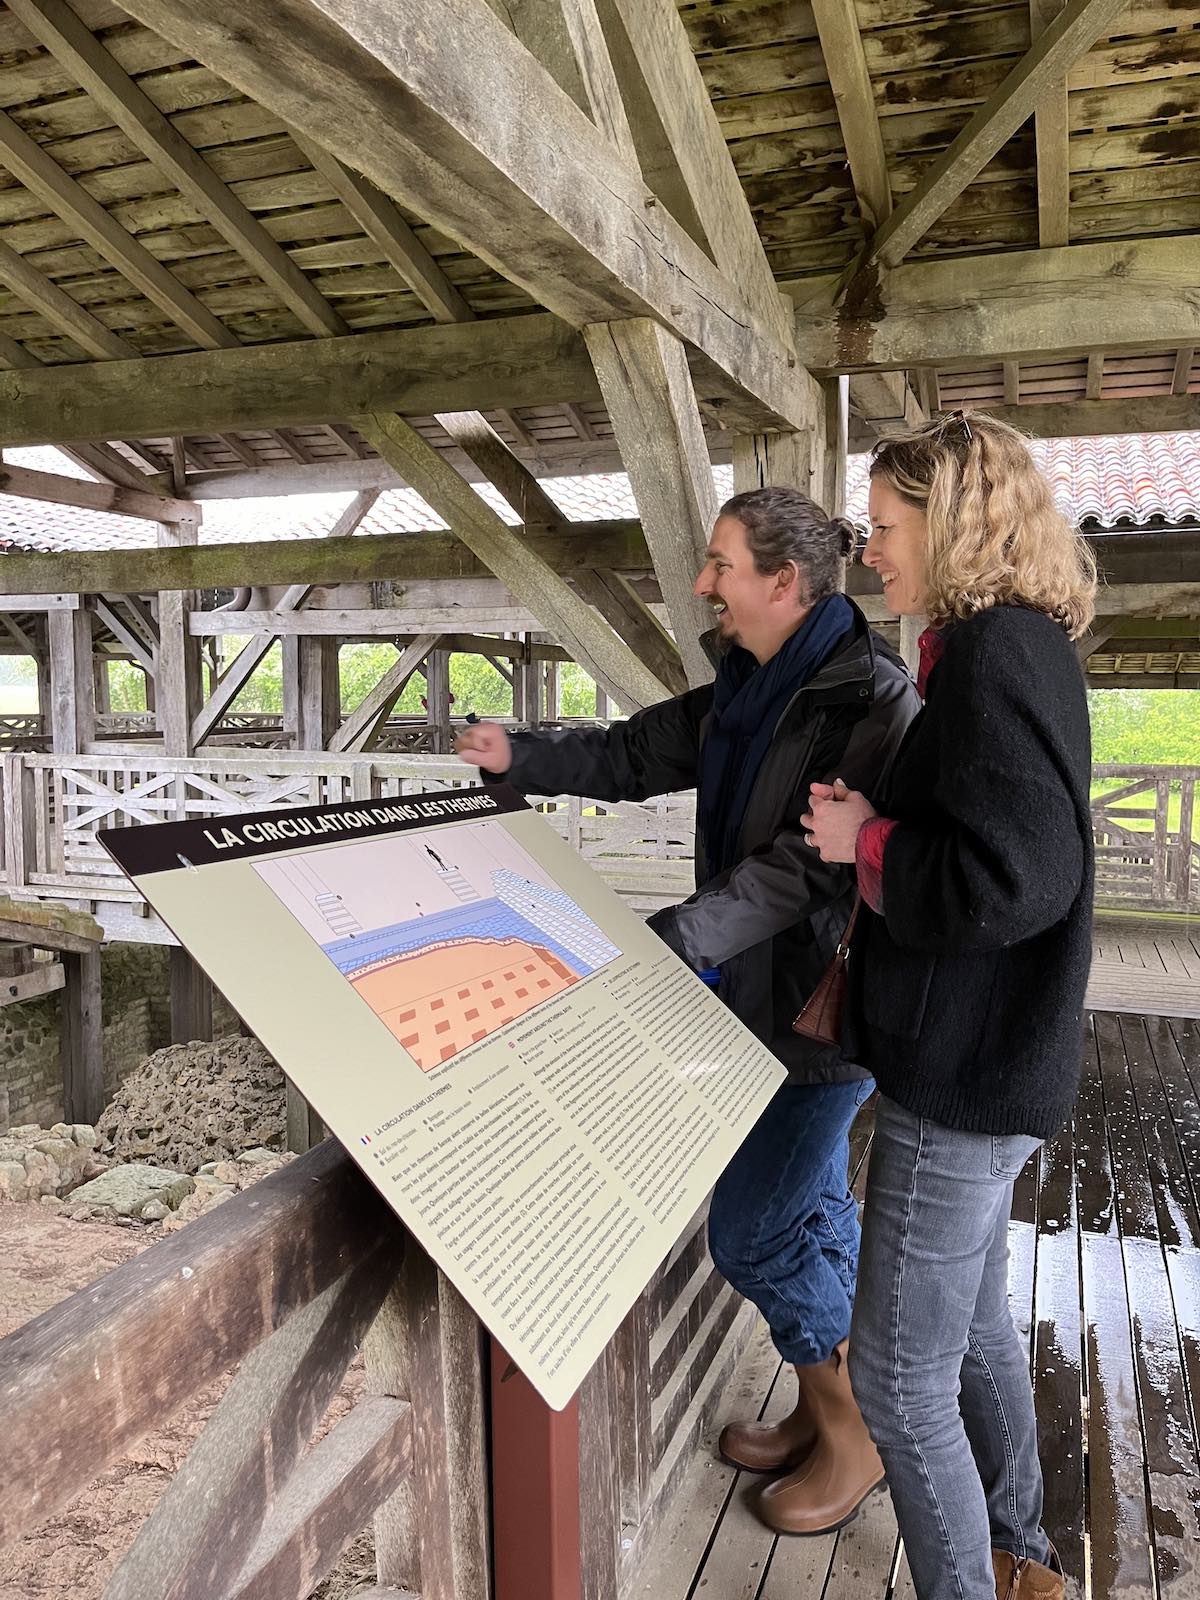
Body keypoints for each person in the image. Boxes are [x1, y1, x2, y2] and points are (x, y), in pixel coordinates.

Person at [457, 485, 919, 1535]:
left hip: (821, 1012)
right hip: (749, 996)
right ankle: (826, 1407)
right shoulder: (749, 684)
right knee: (807, 1212)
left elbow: (802, 874)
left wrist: (667, 943)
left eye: (719, 565)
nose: (703, 586)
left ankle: (855, 1437)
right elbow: (630, 755)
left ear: (783, 582)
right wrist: (518, 757)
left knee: (754, 1235)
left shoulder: (868, 701)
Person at [802, 413, 1095, 1598]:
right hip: (1000, 1063)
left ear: (953, 522)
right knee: (969, 1328)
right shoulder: (1017, 647)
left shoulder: (989, 655)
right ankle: (1020, 1553)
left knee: (894, 1378)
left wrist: (860, 837)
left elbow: (1012, 876)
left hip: (961, 1077)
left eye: (884, 528)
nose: (873, 553)